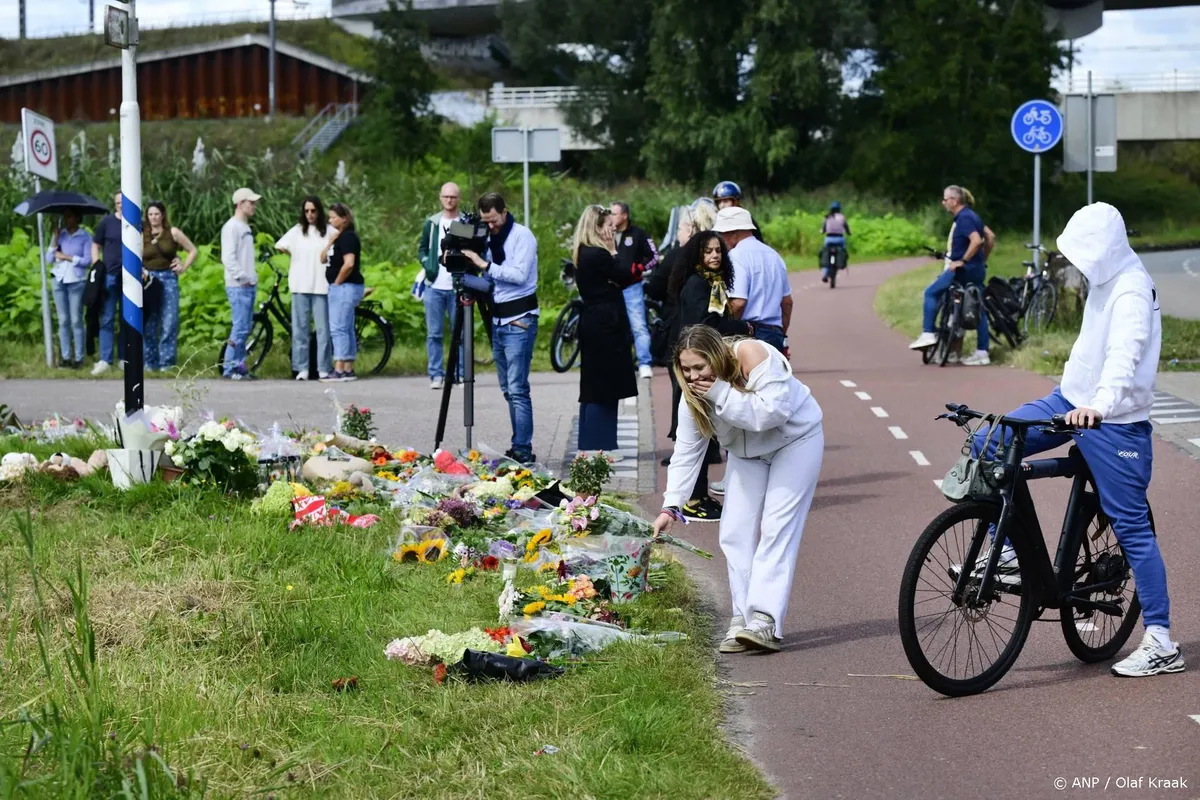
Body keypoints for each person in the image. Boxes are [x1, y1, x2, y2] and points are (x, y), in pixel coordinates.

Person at [968, 202, 1183, 678]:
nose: (1081, 265)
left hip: (1114, 420)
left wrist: (1099, 407)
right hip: (1068, 400)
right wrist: (1077, 398)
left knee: (1132, 528)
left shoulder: (1131, 290)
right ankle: (1006, 554)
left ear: (1106, 250)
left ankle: (1162, 641)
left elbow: (1124, 357)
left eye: (1087, 255)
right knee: (990, 444)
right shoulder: (1104, 276)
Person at [653, 325, 823, 653]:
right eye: (686, 369)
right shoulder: (693, 396)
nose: (693, 377)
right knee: (734, 532)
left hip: (795, 441)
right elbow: (687, 451)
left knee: (776, 527)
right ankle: (743, 617)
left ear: (717, 356)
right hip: (746, 454)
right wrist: (670, 506)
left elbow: (771, 413)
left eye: (700, 367)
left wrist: (719, 392)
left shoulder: (752, 354)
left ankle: (765, 620)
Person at [662, 232, 752, 523]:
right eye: (708, 251)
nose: (714, 256)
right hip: (694, 367)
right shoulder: (697, 284)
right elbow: (707, 325)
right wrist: (743, 327)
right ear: (696, 256)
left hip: (705, 364)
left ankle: (699, 495)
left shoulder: (714, 283)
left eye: (718, 251)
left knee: (706, 431)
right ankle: (693, 499)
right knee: (696, 430)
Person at [462, 192, 539, 464]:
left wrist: (484, 264)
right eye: (486, 221)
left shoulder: (522, 236)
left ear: (504, 212)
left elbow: (518, 275)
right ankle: (519, 444)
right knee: (508, 389)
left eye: (494, 220)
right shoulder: (488, 238)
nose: (490, 226)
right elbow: (490, 281)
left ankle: (523, 449)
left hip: (519, 320)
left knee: (518, 389)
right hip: (498, 320)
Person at [573, 205, 638, 459]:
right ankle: (602, 447)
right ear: (597, 228)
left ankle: (590, 443)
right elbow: (625, 276)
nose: (613, 231)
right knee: (606, 385)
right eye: (609, 227)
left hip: (593, 320)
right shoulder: (599, 254)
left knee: (593, 384)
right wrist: (613, 251)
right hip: (606, 324)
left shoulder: (582, 252)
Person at [909, 185, 991, 366]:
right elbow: (989, 237)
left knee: (931, 292)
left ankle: (928, 333)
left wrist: (963, 260)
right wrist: (980, 260)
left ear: (954, 201)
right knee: (979, 308)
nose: (943, 203)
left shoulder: (964, 218)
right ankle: (982, 351)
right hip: (976, 269)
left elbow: (976, 241)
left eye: (945, 200)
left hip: (962, 271)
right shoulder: (973, 216)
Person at [713, 207, 792, 353]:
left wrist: (725, 329)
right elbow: (787, 302)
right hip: (774, 334)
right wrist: (781, 333)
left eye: (721, 235)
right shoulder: (774, 256)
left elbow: (738, 303)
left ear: (733, 234)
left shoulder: (736, 256)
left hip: (747, 335)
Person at [276, 195, 337, 381]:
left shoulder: (329, 231)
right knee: (300, 329)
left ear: (319, 211)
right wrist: (296, 257)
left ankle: (323, 367)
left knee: (323, 330)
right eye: (307, 211)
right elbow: (280, 245)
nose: (310, 214)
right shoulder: (297, 231)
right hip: (300, 284)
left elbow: (339, 239)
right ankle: (301, 367)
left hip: (321, 285)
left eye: (313, 211)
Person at [418, 182, 469, 390]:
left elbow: (470, 250)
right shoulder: (433, 223)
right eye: (446, 196)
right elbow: (422, 248)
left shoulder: (463, 223)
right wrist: (428, 264)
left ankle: (461, 374)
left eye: (453, 197)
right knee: (434, 334)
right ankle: (436, 374)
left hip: (457, 286)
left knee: (461, 334)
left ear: (459, 199)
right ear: (440, 198)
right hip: (434, 285)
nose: (449, 200)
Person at [140, 202, 197, 373]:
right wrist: (140, 269)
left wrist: (183, 266)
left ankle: (167, 362)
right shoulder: (142, 234)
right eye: (151, 214)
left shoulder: (173, 232)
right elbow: (136, 255)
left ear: (163, 215)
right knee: (150, 321)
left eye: (157, 214)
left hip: (168, 278)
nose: (154, 217)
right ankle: (150, 361)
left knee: (169, 321)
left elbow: (192, 250)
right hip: (149, 279)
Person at [610, 201, 660, 380]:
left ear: (624, 216)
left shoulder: (638, 234)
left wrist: (639, 268)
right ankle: (617, 363)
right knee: (613, 326)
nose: (611, 217)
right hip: (610, 288)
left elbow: (654, 256)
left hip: (632, 288)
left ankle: (644, 363)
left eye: (614, 213)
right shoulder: (606, 233)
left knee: (638, 326)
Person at [221, 187, 261, 381]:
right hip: (238, 286)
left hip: (247, 284)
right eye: (250, 203)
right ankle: (230, 368)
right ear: (239, 203)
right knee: (239, 327)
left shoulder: (245, 227)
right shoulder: (232, 227)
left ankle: (239, 366)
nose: (253, 206)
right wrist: (242, 277)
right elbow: (228, 257)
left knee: (244, 328)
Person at [45, 209, 92, 369]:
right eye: (65, 217)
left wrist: (67, 257)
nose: (67, 219)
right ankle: (65, 357)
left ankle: (79, 357)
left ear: (77, 218)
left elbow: (87, 261)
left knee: (76, 319)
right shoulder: (61, 235)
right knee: (63, 320)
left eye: (70, 216)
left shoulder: (85, 236)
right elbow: (49, 259)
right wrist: (55, 238)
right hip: (59, 279)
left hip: (76, 280)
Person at [323, 203, 364, 383]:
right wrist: (331, 241)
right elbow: (322, 258)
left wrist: (337, 282)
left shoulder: (348, 237)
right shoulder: (339, 237)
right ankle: (348, 367)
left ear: (344, 218)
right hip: (344, 286)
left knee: (338, 328)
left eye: (334, 217)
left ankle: (339, 368)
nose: (330, 220)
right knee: (346, 327)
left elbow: (349, 263)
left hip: (345, 286)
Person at [90, 192, 124, 375]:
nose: (121, 205)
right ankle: (105, 359)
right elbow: (95, 244)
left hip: (130, 277)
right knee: (107, 318)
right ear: (115, 204)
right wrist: (97, 265)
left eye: (124, 202)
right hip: (109, 275)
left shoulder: (137, 223)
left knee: (127, 319)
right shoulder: (107, 222)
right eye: (118, 202)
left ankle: (124, 358)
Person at [819, 201, 851, 282]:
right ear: (839, 209)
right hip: (839, 239)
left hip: (829, 239)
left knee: (826, 254)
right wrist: (848, 232)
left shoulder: (827, 217)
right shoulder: (842, 217)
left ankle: (825, 275)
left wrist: (822, 231)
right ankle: (842, 262)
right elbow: (846, 227)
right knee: (843, 251)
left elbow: (823, 229)